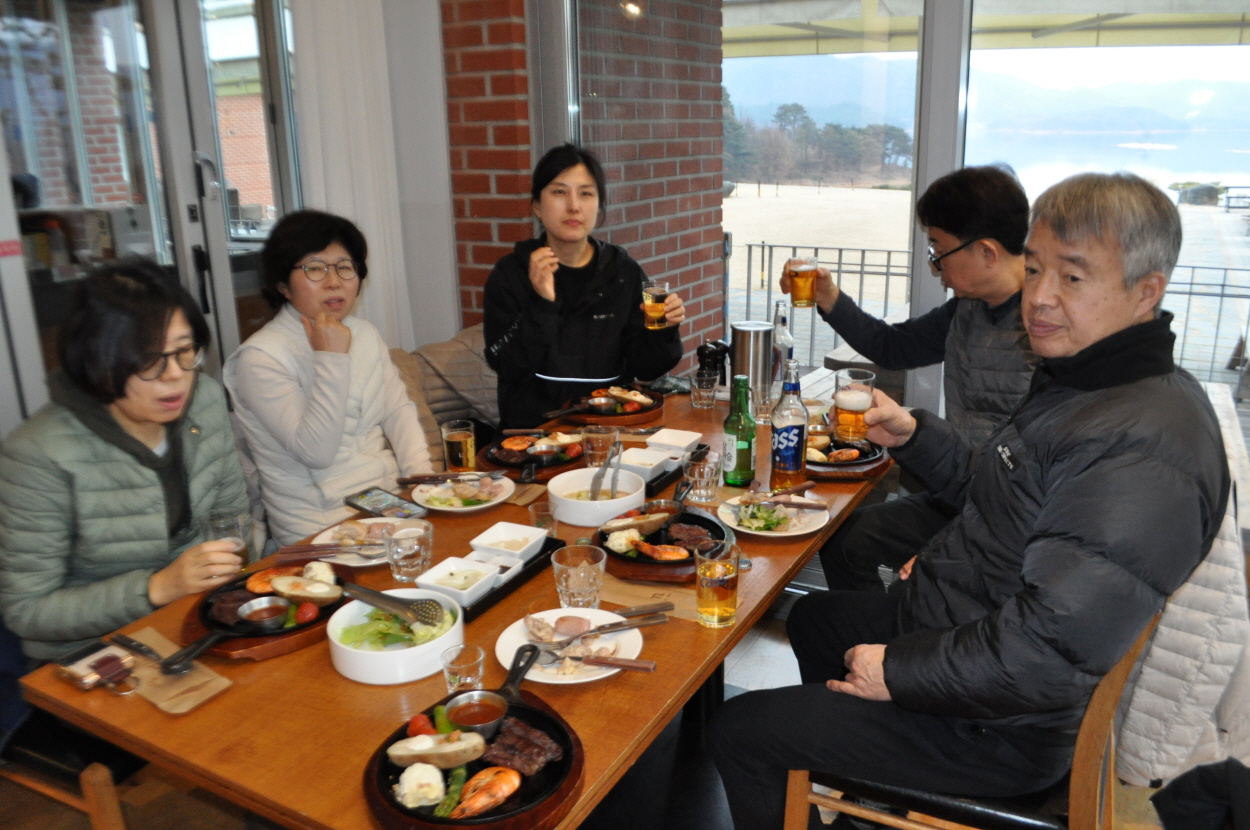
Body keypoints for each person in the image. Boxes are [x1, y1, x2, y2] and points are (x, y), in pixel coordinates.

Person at [711, 172, 1230, 830]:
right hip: (971, 631)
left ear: (1146, 290)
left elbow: (1046, 651)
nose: (1040, 297)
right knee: (816, 622)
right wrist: (914, 436)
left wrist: (898, 673)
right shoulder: (1085, 384)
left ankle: (857, 762)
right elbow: (999, 494)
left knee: (740, 730)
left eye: (1072, 277)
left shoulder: (1141, 445)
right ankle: (857, 780)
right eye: (1035, 269)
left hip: (1001, 725)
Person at [789, 165, 1039, 592]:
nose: (935, 267)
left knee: (913, 582)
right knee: (843, 541)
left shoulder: (1048, 326)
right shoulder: (967, 308)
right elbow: (894, 347)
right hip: (958, 495)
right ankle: (878, 626)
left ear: (986, 252)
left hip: (1014, 524)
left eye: (938, 249)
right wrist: (829, 297)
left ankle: (898, 626)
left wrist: (957, 547)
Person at [0, 260, 249, 662]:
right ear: (99, 362)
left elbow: (232, 516)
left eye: (184, 351)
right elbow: (27, 611)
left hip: (197, 620)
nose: (175, 375)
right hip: (93, 655)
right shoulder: (38, 453)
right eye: (149, 359)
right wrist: (156, 588)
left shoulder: (203, 398)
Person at [223, 210, 432, 546]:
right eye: (315, 268)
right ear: (283, 285)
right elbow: (316, 453)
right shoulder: (259, 358)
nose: (334, 282)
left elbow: (398, 411)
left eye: (345, 267)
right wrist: (331, 358)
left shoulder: (363, 333)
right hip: (319, 527)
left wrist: (423, 484)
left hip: (388, 504)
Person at [483, 143, 685, 429]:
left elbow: (647, 368)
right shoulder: (512, 273)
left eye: (586, 193)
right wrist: (542, 303)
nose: (573, 206)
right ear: (537, 206)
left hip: (612, 426)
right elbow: (508, 366)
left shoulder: (622, 271)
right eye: (559, 192)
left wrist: (664, 327)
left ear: (599, 206)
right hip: (536, 434)